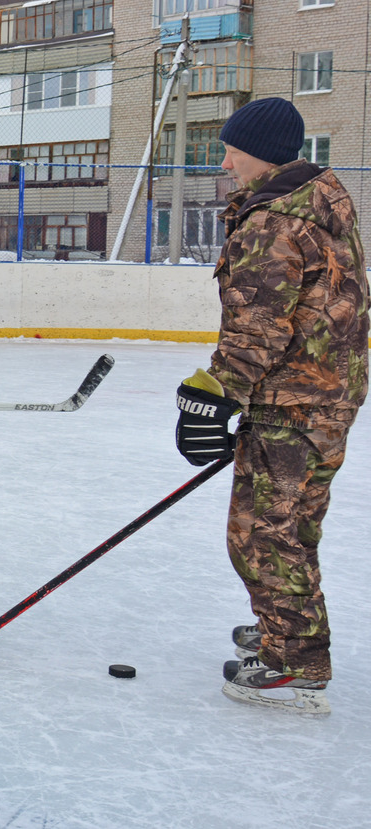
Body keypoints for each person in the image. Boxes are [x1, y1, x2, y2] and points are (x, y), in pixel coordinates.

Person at [172, 97, 367, 716]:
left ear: (261, 154)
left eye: (233, 150)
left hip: (292, 402)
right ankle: (288, 630)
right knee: (295, 524)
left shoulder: (275, 221)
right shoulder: (322, 206)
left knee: (259, 533)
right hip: (329, 398)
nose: (226, 161)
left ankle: (293, 665)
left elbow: (257, 328)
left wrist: (212, 395)